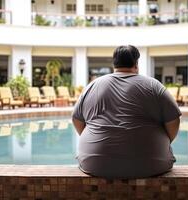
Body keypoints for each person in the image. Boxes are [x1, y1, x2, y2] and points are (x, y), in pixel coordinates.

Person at [72, 45, 181, 178]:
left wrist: (94, 138)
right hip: (152, 165)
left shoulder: (92, 86)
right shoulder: (154, 86)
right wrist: (162, 141)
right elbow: (174, 121)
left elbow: (77, 120)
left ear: (114, 64)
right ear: (136, 63)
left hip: (95, 164)